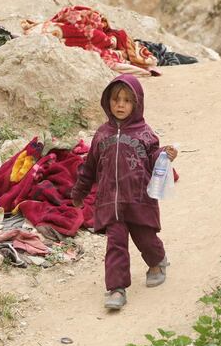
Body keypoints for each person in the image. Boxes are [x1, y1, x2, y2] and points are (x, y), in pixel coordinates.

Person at [71, 74, 178, 310]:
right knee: (115, 244)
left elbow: (154, 160)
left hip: (139, 200)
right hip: (111, 202)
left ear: (137, 104)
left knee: (146, 238)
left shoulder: (146, 134)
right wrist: (79, 193)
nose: (120, 105)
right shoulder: (101, 135)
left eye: (127, 100)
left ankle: (157, 262)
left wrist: (165, 156)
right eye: (116, 99)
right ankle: (117, 289)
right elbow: (89, 168)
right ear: (107, 101)